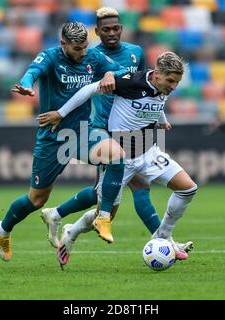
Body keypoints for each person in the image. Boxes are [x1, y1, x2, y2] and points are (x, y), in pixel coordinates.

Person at [38, 52, 197, 267]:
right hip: (119, 158)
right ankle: (71, 230)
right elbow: (88, 90)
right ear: (157, 74)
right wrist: (61, 112)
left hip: (149, 152)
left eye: (176, 83)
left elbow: (155, 103)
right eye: (170, 81)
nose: (173, 87)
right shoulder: (130, 82)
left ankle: (162, 236)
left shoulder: (163, 87)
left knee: (188, 188)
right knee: (104, 215)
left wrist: (162, 120)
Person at [0, 22, 129, 261]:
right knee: (36, 199)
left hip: (83, 133)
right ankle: (2, 229)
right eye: (77, 48)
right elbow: (32, 72)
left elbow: (121, 72)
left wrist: (109, 73)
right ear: (63, 44)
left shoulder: (93, 56)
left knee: (116, 156)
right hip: (53, 138)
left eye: (84, 47)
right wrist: (26, 84)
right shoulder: (50, 57)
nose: (82, 52)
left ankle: (103, 218)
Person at [39, 7, 171, 249]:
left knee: (137, 185)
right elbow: (82, 91)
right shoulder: (90, 57)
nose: (112, 33)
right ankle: (61, 218)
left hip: (133, 129)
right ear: (97, 32)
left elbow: (148, 88)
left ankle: (165, 241)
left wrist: (159, 117)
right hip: (105, 130)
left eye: (116, 28)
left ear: (121, 28)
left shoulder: (135, 52)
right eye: (106, 29)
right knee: (106, 197)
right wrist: (62, 113)